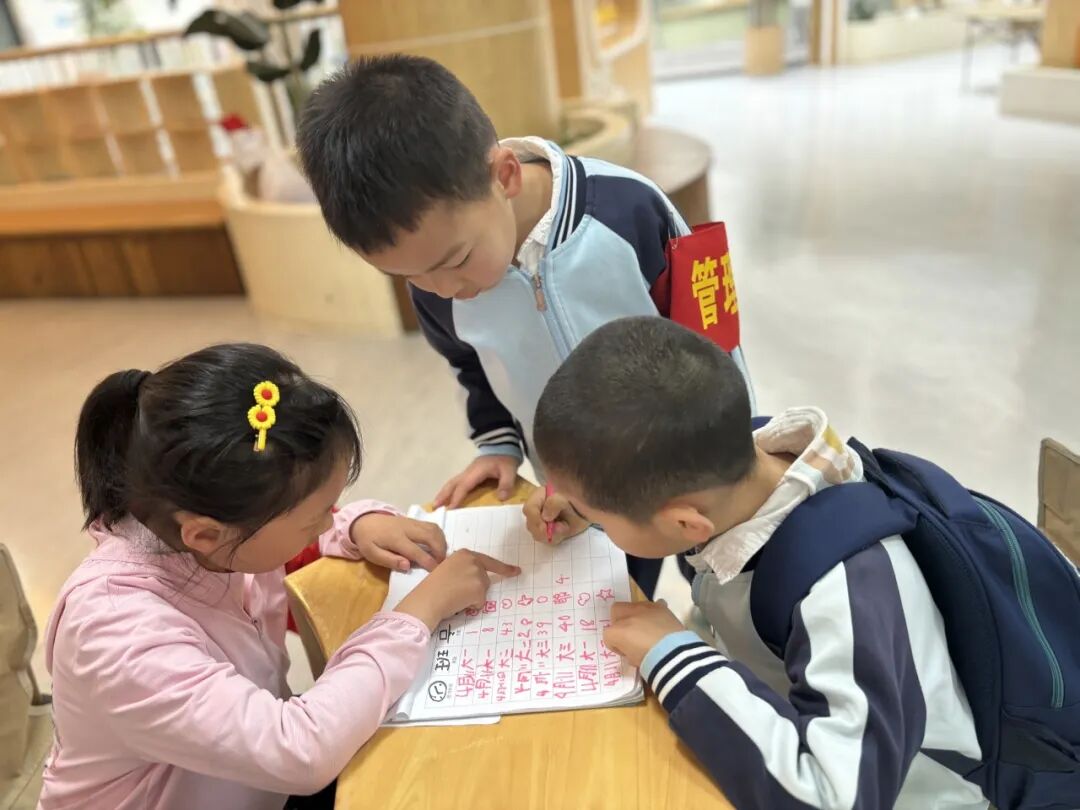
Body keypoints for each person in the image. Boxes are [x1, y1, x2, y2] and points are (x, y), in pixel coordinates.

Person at [296, 54, 755, 598]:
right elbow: (470, 363)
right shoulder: (436, 282)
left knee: (722, 572)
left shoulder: (629, 209)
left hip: (693, 459)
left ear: (505, 175)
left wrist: (728, 450)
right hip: (580, 490)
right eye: (408, 276)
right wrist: (498, 444)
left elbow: (712, 334)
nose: (440, 289)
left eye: (455, 260)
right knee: (619, 594)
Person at [531, 317, 993, 809]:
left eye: (593, 509)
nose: (575, 508)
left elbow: (837, 798)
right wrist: (594, 510)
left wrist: (675, 658)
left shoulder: (843, 594)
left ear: (686, 523)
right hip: (786, 708)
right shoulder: (734, 460)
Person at [39, 343, 518, 810]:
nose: (327, 524)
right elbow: (299, 751)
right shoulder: (115, 633)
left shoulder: (208, 536)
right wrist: (417, 613)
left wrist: (358, 524)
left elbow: (283, 546)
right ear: (206, 533)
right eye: (314, 519)